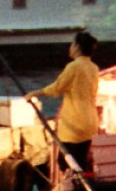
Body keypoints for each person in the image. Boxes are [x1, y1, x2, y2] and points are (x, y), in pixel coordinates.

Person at [25, 31, 99, 170]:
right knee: (80, 162)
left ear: (77, 47)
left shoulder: (74, 67)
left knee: (65, 162)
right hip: (90, 122)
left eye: (72, 43)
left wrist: (35, 93)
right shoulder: (93, 68)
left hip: (74, 124)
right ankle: (78, 188)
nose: (70, 47)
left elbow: (57, 88)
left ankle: (73, 190)